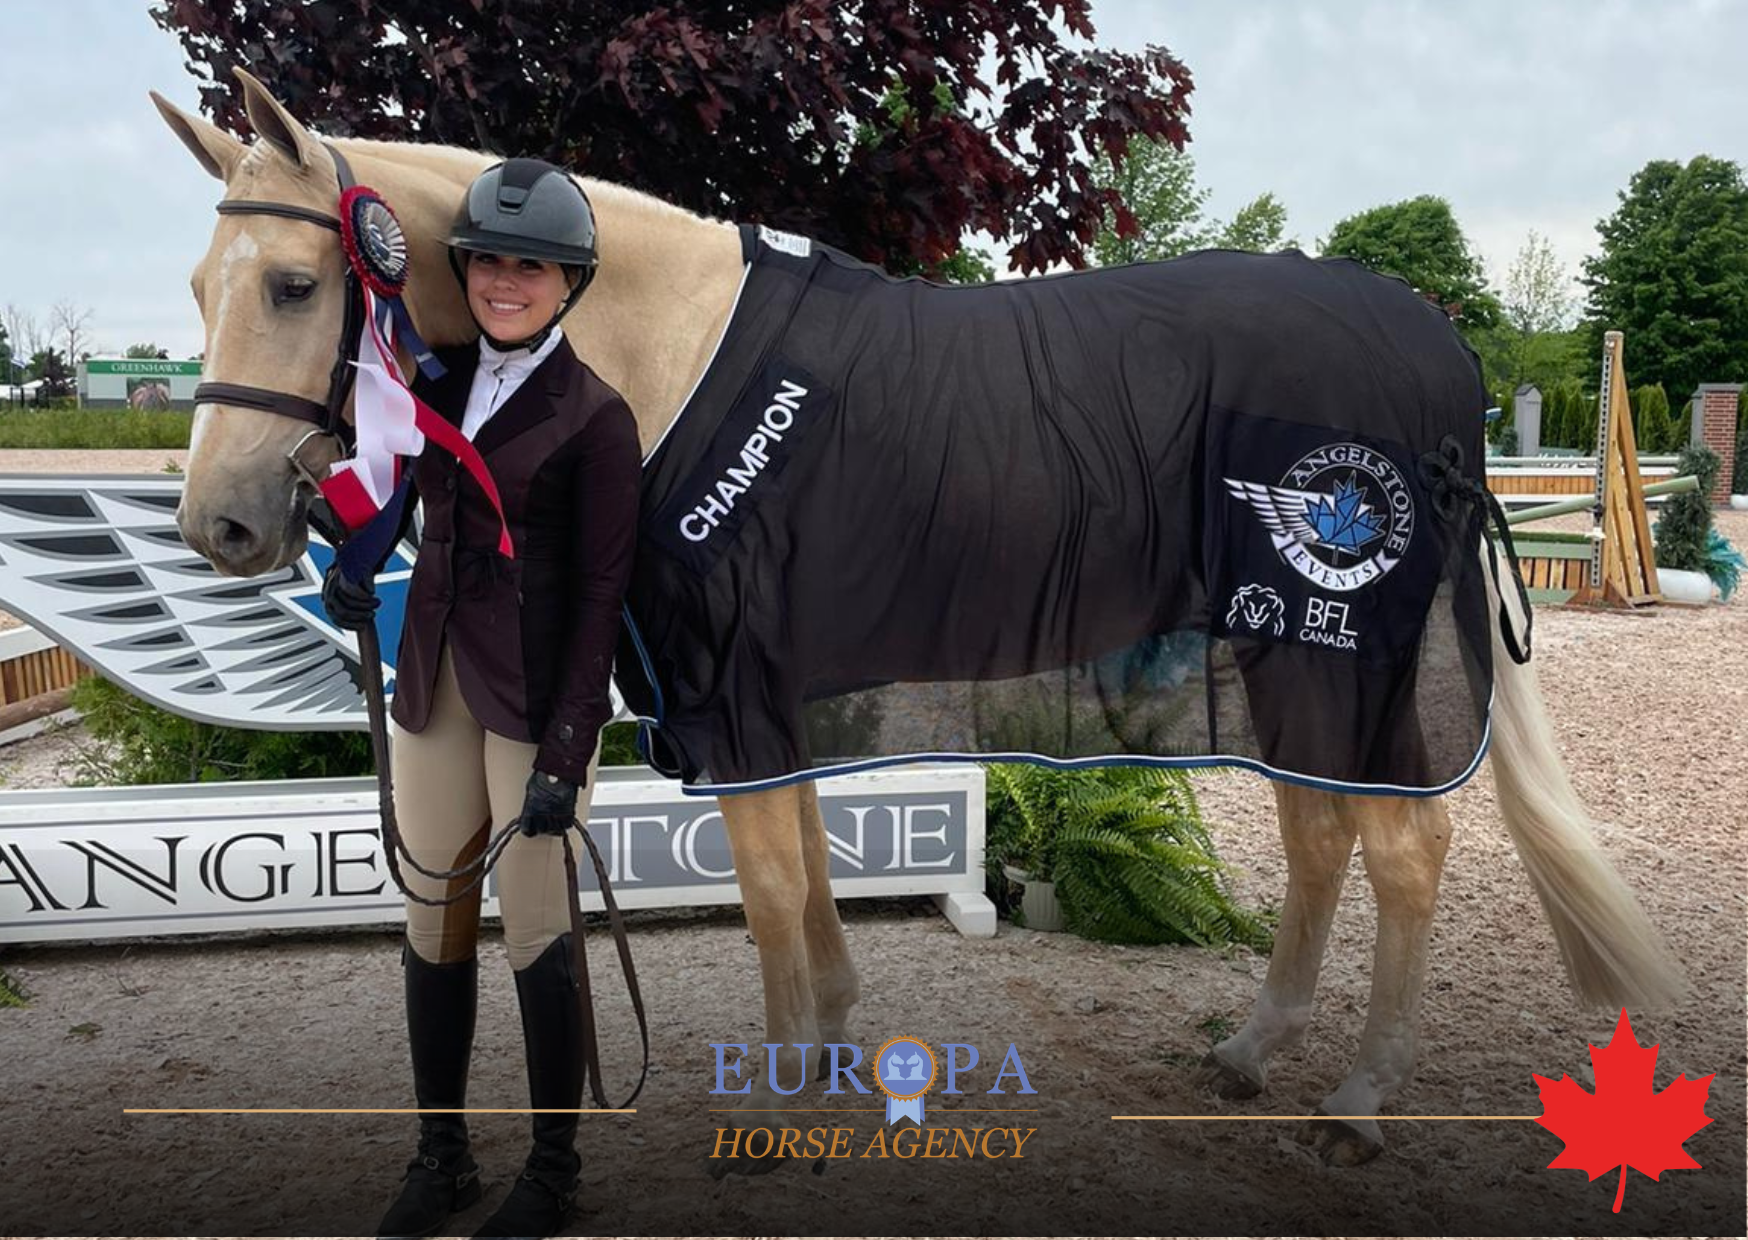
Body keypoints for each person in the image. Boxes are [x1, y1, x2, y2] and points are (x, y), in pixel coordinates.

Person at [321, 158, 641, 1239]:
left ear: (569, 283)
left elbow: (600, 598)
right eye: (490, 260)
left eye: (532, 267)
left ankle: (552, 1171)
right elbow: (395, 484)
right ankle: (442, 1155)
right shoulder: (436, 382)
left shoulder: (596, 418)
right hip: (433, 684)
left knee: (538, 928)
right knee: (431, 913)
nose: (506, 281)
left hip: (535, 707)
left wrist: (567, 751)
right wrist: (357, 558)